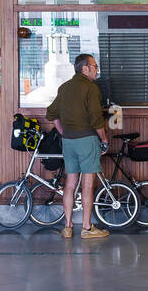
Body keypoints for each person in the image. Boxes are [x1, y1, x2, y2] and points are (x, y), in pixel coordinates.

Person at [47, 53, 110, 240]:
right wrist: (104, 139)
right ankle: (87, 228)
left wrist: (63, 132)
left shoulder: (64, 87)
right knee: (87, 184)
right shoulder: (91, 88)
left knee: (70, 183)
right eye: (95, 66)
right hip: (86, 140)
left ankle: (67, 227)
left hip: (69, 142)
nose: (97, 70)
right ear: (85, 69)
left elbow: (51, 113)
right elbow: (96, 119)